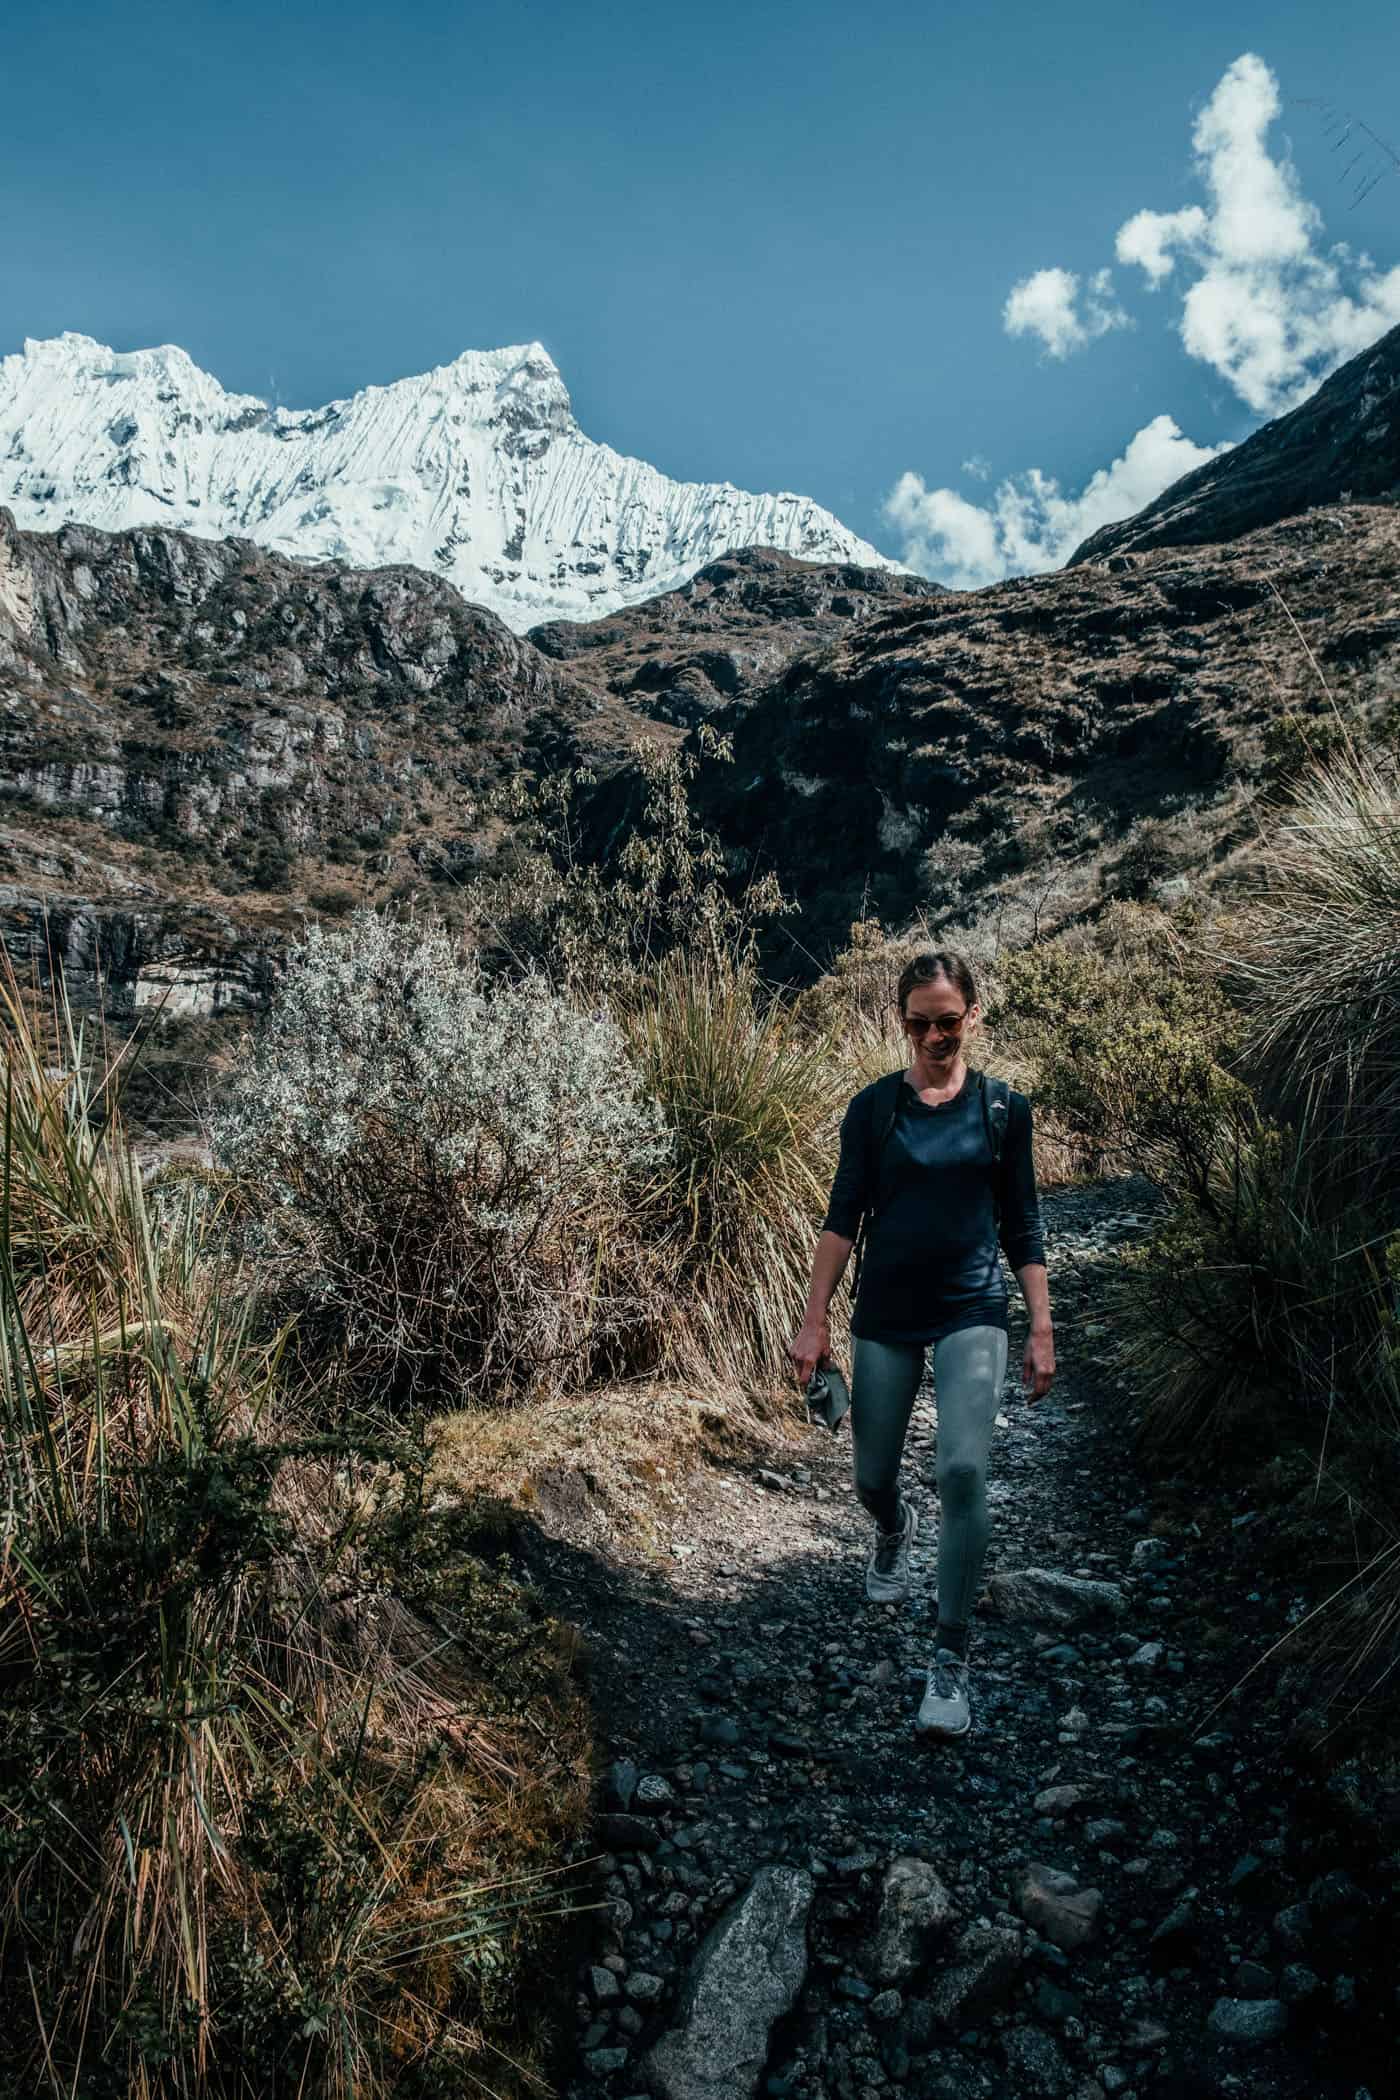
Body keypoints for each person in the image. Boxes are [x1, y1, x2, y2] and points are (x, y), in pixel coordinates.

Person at [787, 949, 1054, 1740]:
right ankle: (894, 1526)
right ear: (901, 1023)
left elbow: (1024, 1225)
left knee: (964, 1468)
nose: (934, 1036)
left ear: (972, 1017)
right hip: (887, 1313)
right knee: (871, 1476)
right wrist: (815, 1319)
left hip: (973, 1308)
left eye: (947, 1021)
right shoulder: (874, 1111)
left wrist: (1040, 1324)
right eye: (918, 1023)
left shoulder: (1004, 1110)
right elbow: (843, 1219)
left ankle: (949, 1660)